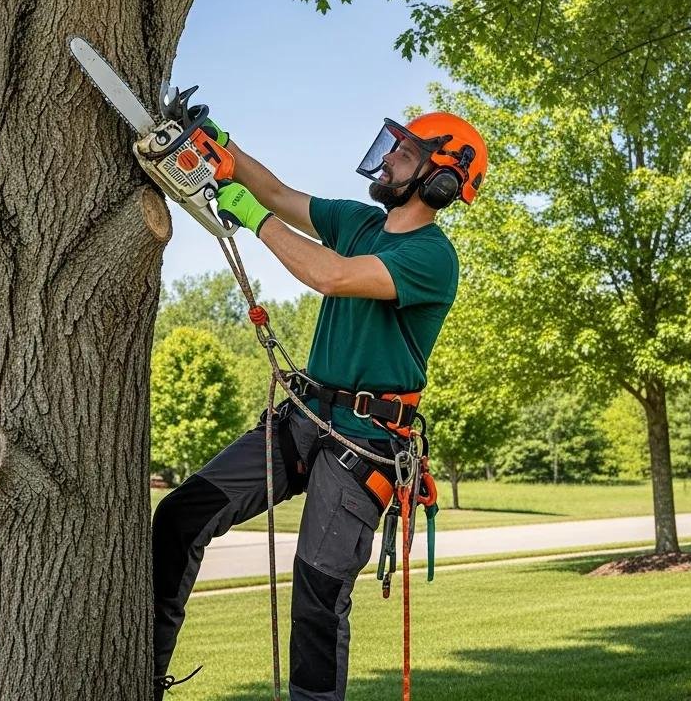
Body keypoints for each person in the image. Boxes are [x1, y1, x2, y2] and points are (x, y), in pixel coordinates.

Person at [151, 113, 487, 701]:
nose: (386, 160)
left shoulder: (433, 257)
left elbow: (330, 276)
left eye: (403, 153)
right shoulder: (359, 222)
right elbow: (278, 194)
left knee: (317, 598)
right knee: (181, 515)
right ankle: (144, 675)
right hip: (306, 418)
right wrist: (224, 148)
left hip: (366, 443)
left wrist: (251, 219)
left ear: (439, 178)